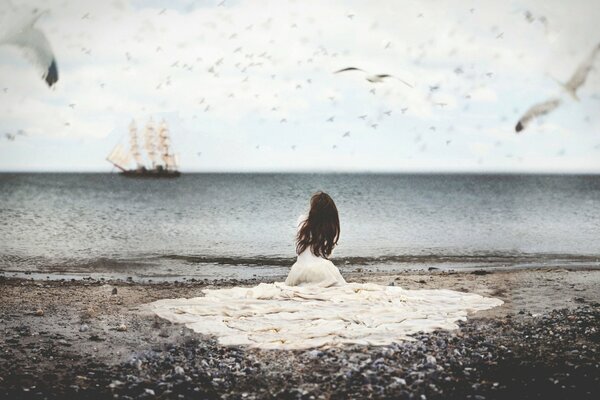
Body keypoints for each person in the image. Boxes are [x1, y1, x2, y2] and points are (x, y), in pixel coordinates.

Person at [285, 192, 347, 287]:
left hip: (298, 270)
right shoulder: (331, 228)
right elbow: (328, 254)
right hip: (320, 270)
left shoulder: (302, 220)